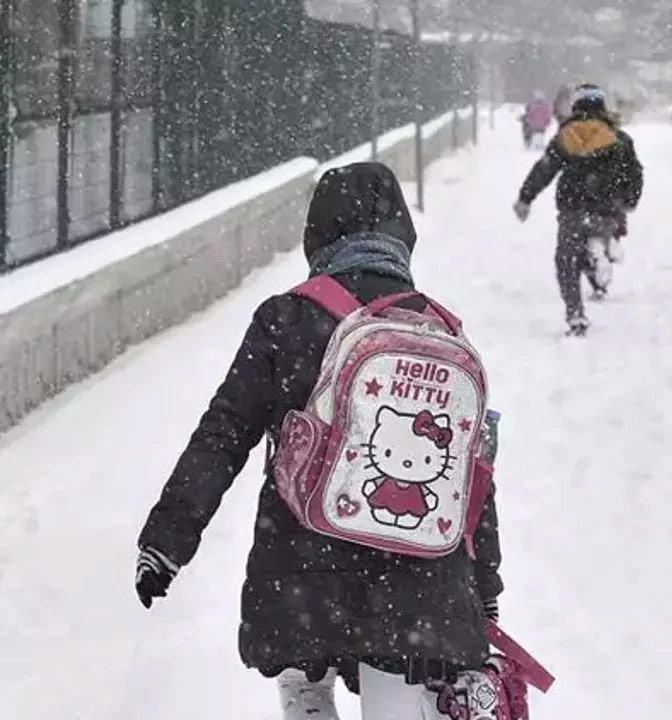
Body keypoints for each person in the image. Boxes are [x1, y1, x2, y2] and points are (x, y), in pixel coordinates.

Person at [134, 162, 505, 718]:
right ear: (402, 236)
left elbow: (224, 433)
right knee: (400, 693)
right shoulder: (439, 331)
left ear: (318, 234)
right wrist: (485, 584)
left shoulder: (286, 318)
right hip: (419, 583)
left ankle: (306, 694)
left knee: (303, 668)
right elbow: (470, 475)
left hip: (302, 570)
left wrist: (167, 540)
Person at [513, 84, 645, 335]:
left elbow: (545, 169)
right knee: (596, 240)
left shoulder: (566, 136)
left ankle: (575, 314)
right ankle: (602, 258)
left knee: (567, 260)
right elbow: (635, 174)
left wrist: (525, 198)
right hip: (607, 208)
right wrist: (630, 200)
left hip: (572, 208)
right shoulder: (619, 139)